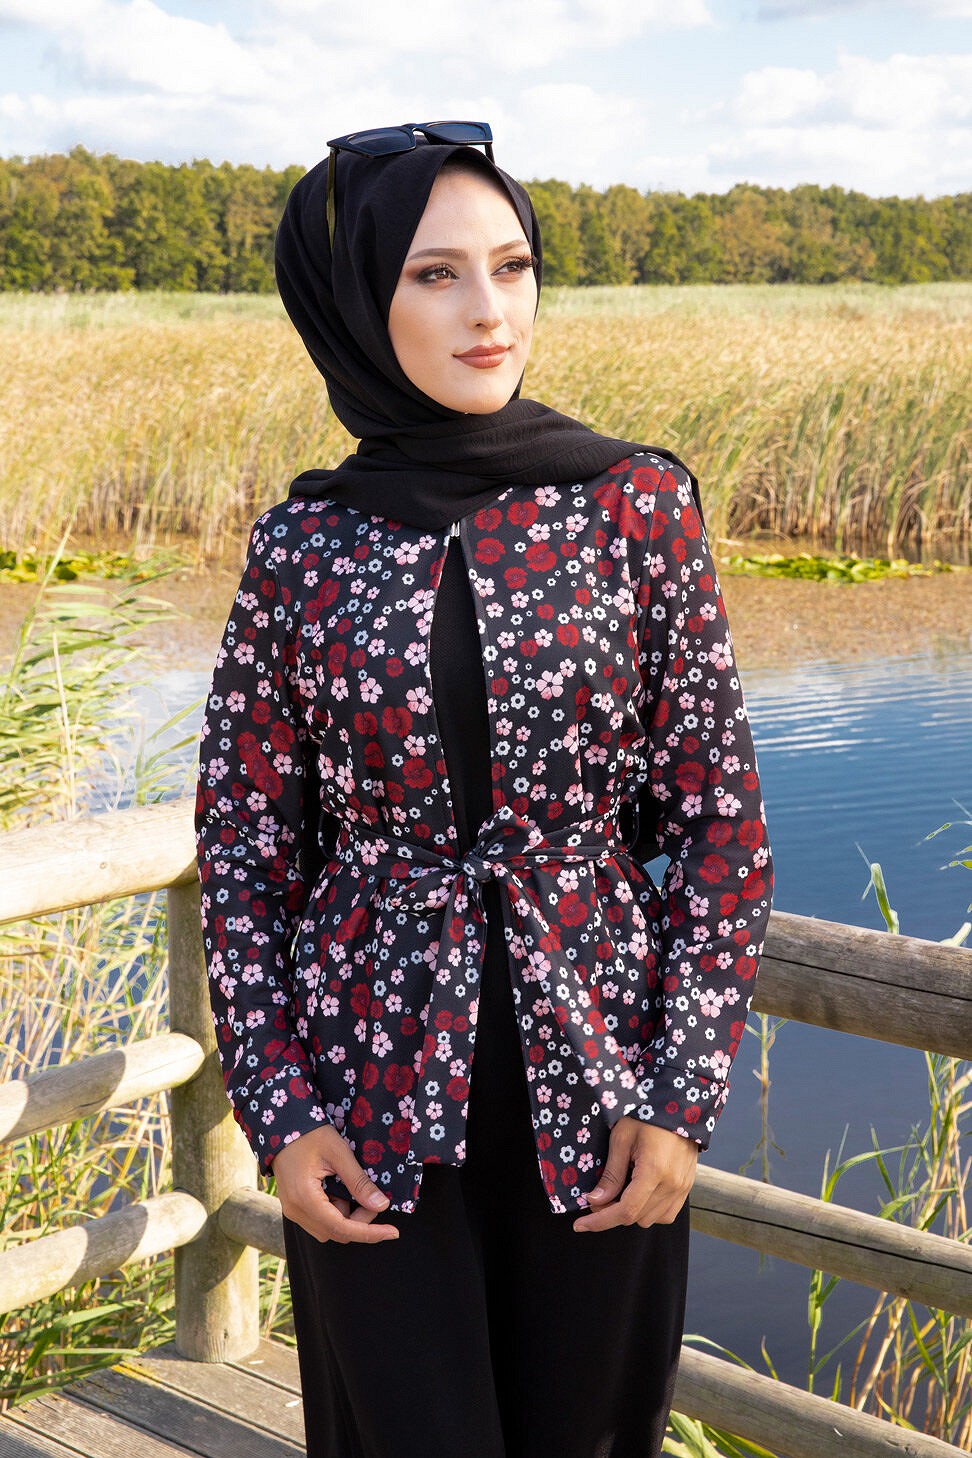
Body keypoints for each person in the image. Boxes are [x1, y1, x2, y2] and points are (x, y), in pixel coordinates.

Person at [195, 121, 773, 1458]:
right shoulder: (304, 543)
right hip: (368, 1093)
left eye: (511, 267)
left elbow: (718, 827)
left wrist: (679, 1095)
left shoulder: (635, 506)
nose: (489, 311)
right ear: (358, 301)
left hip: (602, 1085)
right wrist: (283, 1112)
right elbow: (244, 852)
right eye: (436, 274)